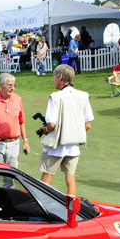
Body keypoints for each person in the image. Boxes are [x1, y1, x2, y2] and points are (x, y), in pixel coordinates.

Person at [38, 64, 93, 196]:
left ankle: (40, 202)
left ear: (60, 77)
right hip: (73, 147)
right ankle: (72, 206)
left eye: (54, 77)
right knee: (70, 179)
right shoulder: (83, 96)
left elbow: (51, 125)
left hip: (56, 146)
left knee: (46, 177)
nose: (53, 80)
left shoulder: (55, 97)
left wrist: (45, 131)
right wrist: (75, 134)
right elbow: (87, 125)